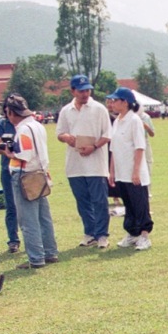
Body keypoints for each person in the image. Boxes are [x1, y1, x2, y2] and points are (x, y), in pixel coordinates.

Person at [3, 94, 59, 272]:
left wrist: (9, 153)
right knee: (43, 217)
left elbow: (24, 154)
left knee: (28, 220)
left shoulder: (23, 129)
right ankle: (50, 252)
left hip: (25, 175)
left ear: (10, 112)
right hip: (40, 173)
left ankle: (36, 258)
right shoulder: (37, 125)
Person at [56, 74, 112, 249]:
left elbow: (107, 135)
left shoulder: (99, 109)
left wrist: (93, 147)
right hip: (75, 164)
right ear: (73, 91)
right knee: (82, 201)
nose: (85, 94)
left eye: (87, 90)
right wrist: (67, 138)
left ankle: (102, 234)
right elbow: (59, 133)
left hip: (96, 163)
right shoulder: (66, 110)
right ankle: (90, 232)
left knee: (99, 201)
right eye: (81, 91)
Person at [106, 87, 153, 251]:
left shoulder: (134, 120)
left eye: (115, 100)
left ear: (125, 102)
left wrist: (136, 171)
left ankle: (144, 235)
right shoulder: (117, 121)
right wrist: (112, 171)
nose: (112, 104)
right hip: (121, 172)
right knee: (129, 204)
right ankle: (132, 233)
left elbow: (140, 147)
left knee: (140, 204)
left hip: (134, 172)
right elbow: (113, 148)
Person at [0, 108, 20, 254]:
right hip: (8, 169)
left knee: (32, 204)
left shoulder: (27, 123)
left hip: (27, 169)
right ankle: (13, 240)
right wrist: (10, 152)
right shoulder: (1, 124)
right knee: (11, 205)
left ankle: (36, 238)